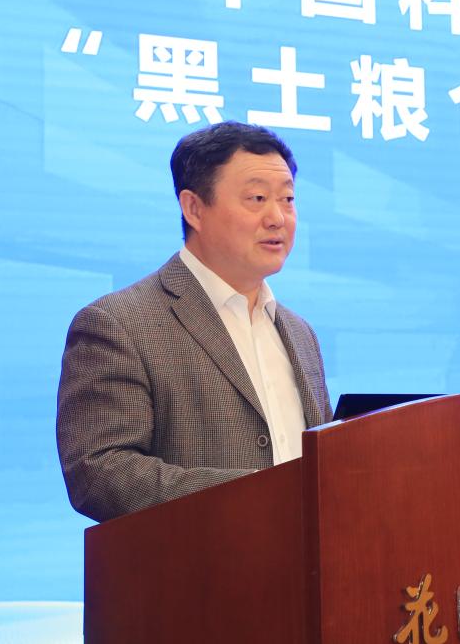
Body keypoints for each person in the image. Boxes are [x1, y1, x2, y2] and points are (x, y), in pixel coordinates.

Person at [57, 122, 331, 523]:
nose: (277, 217)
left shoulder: (300, 333)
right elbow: (99, 472)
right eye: (257, 198)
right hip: (194, 561)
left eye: (287, 199)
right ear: (194, 208)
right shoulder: (118, 324)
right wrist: (257, 495)